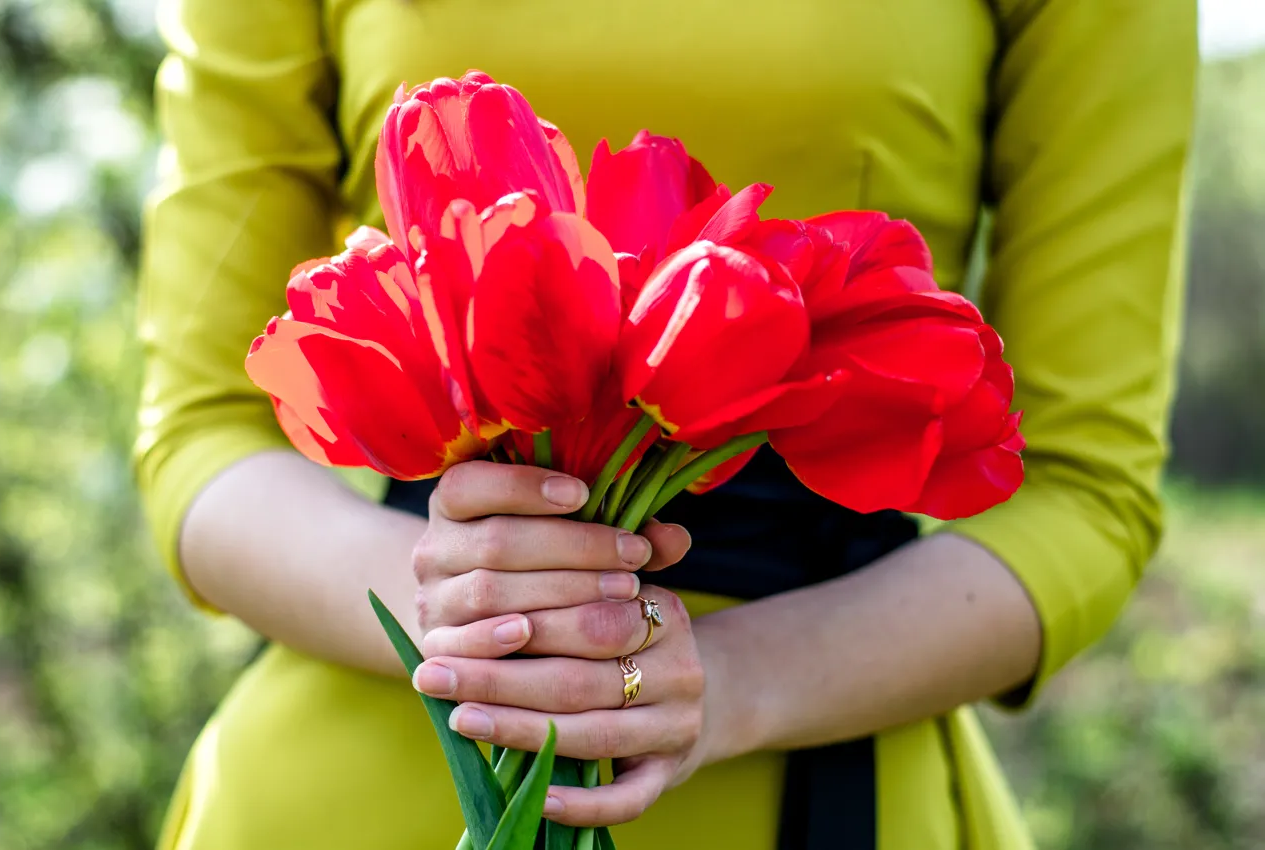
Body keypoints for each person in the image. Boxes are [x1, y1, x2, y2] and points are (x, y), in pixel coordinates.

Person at [136, 2, 1196, 848]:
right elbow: (202, 431)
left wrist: (729, 684)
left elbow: (1084, 489)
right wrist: (458, 605)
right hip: (343, 784)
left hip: (816, 772)